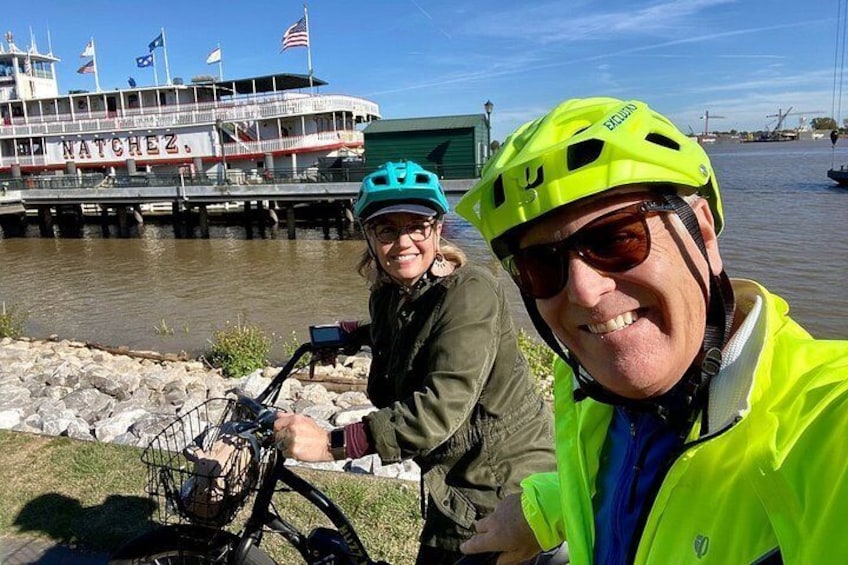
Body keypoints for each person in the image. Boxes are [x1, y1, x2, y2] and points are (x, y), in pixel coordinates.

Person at [455, 97, 848, 564]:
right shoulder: (594, 397)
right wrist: (543, 510)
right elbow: (633, 477)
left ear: (702, 233)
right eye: (541, 264)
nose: (583, 290)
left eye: (617, 237)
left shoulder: (825, 424)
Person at [274, 160, 557, 565]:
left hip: (498, 480)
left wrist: (330, 444)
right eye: (386, 229)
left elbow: (440, 407)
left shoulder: (472, 290)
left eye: (417, 225)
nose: (403, 241)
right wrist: (356, 334)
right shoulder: (391, 292)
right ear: (368, 237)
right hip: (452, 475)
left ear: (438, 229)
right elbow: (415, 326)